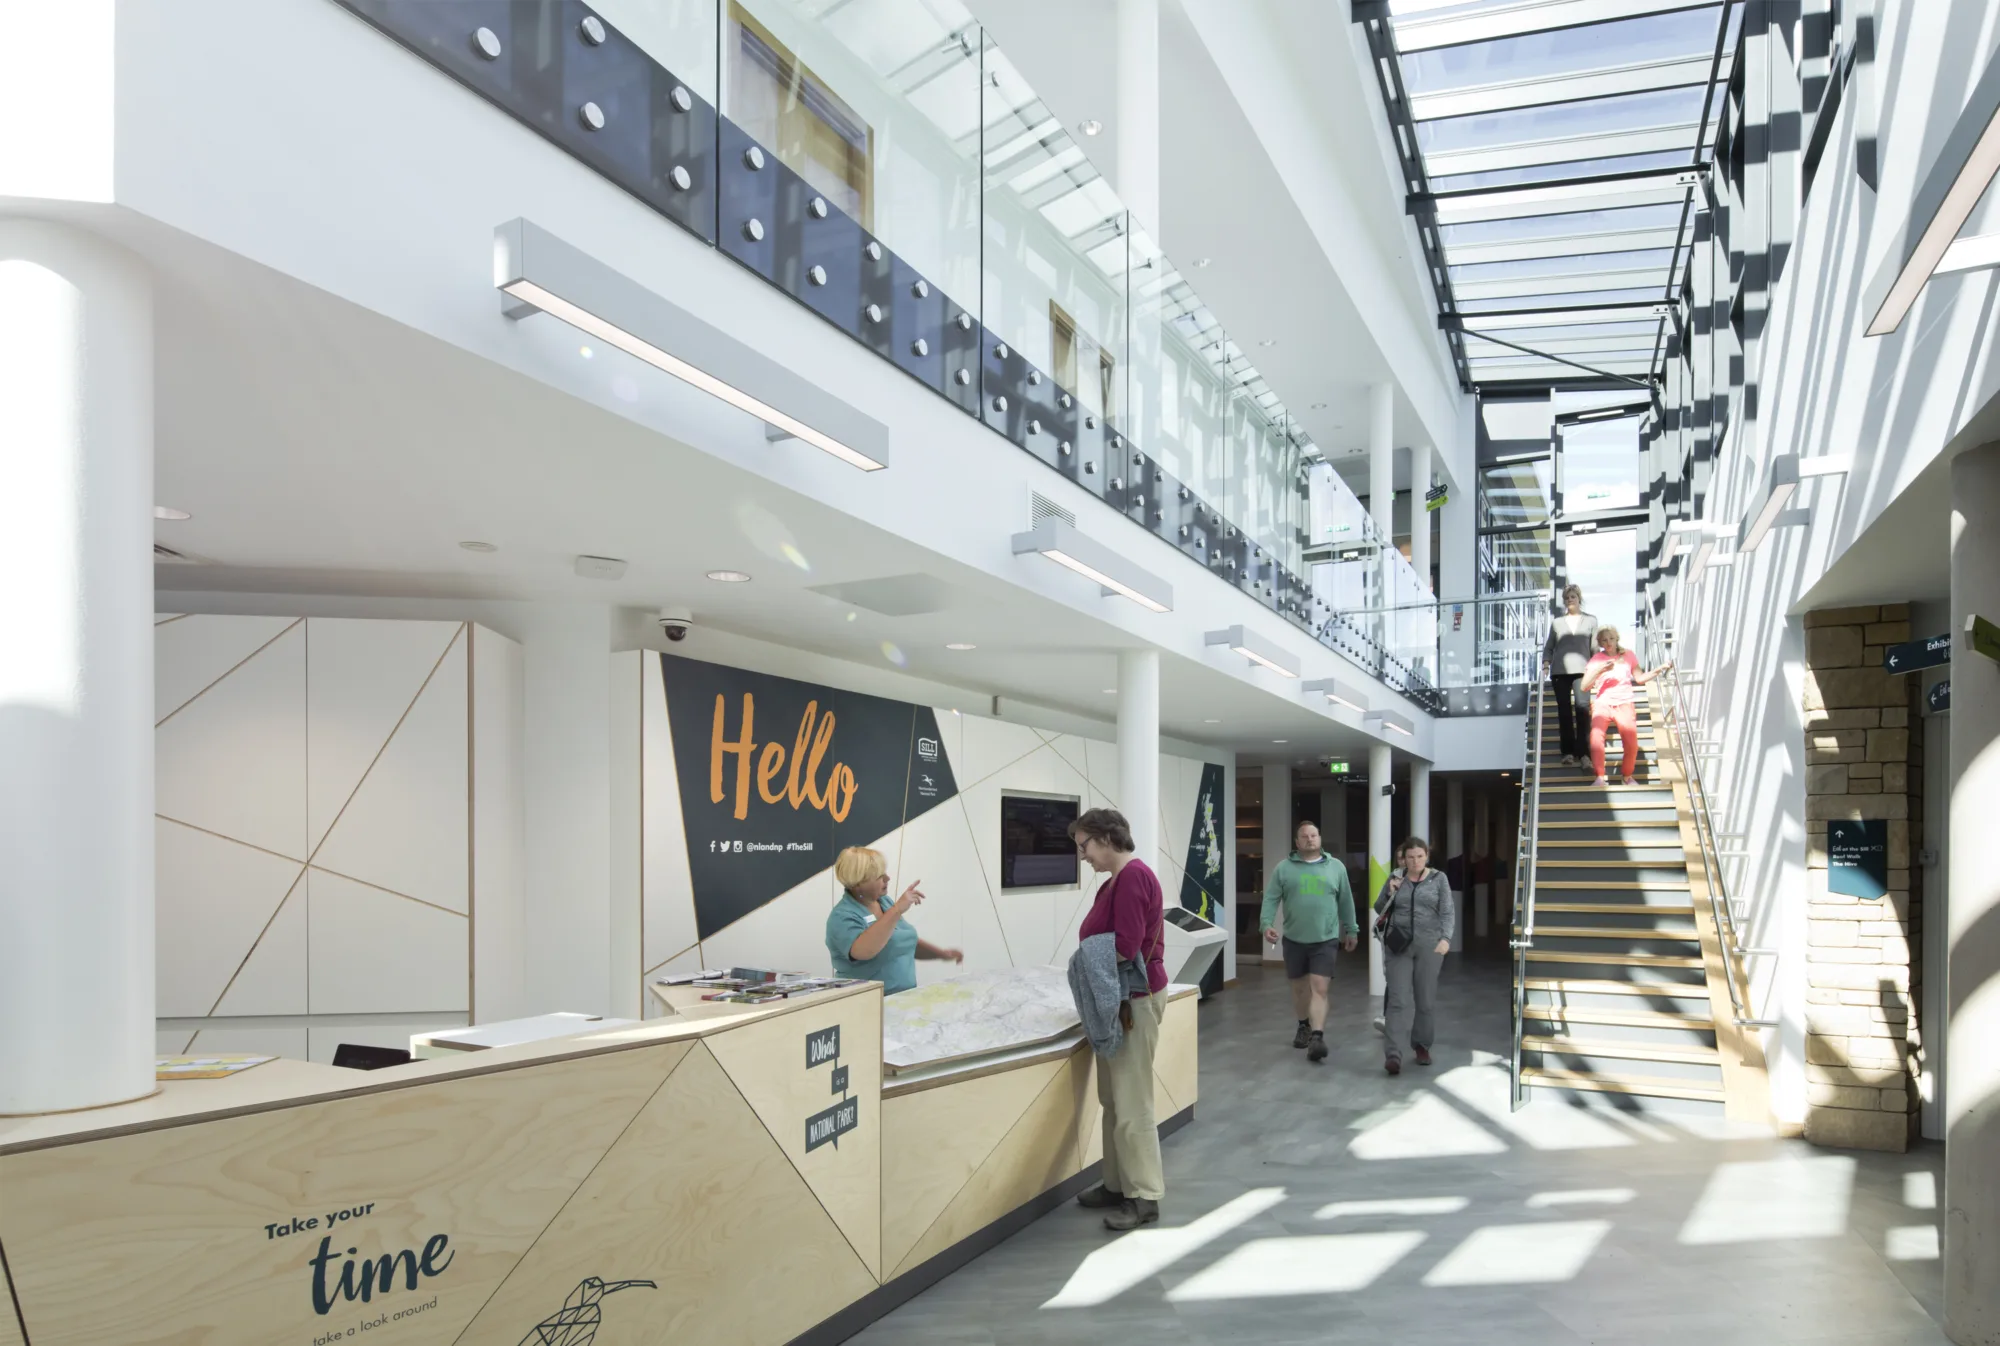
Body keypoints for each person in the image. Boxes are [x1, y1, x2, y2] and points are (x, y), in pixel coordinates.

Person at [1068, 808, 1169, 1232]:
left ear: (1107, 838)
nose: (1084, 856)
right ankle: (1116, 1183)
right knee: (1113, 1100)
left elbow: (1126, 947)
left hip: (1133, 1001)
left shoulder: (1131, 879)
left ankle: (1144, 1195)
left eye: (1085, 846)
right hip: (1124, 999)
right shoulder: (1117, 881)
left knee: (1132, 1103)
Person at [1260, 821, 1359, 1064]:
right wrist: (1266, 924)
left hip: (1325, 939)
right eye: (1304, 836)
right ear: (1297, 842)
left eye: (1314, 835)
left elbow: (1346, 900)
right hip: (1294, 939)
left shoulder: (1336, 867)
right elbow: (1271, 899)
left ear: (1320, 839)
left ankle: (1317, 1036)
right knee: (1299, 988)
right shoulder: (1283, 869)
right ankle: (1303, 1025)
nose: (1309, 839)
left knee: (1320, 987)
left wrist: (1352, 929)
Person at [824, 847, 962, 995]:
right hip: (864, 1004)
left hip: (901, 999)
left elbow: (903, 940)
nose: (887, 878)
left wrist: (941, 954)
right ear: (858, 883)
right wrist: (896, 910)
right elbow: (863, 951)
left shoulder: (884, 902)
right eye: (879, 876)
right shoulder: (842, 916)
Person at [1374, 836, 1454, 1076]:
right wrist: (1390, 893)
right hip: (1398, 947)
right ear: (1404, 858)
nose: (1415, 861)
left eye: (1420, 856)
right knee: (1397, 1000)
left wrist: (1446, 939)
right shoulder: (1395, 878)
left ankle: (1421, 1045)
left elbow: (1447, 911)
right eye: (1410, 857)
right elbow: (1379, 907)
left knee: (1425, 1000)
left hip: (1429, 946)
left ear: (1427, 856)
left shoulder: (1439, 879)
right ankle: (1393, 1054)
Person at [1580, 627, 1672, 787]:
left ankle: (1627, 776)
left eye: (1611, 639)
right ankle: (1600, 777)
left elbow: (1640, 678)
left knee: (1631, 743)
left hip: (1624, 702)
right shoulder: (1596, 659)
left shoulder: (1628, 655)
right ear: (1600, 643)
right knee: (1596, 738)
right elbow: (1584, 686)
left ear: (1617, 639)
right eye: (1604, 640)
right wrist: (1600, 669)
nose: (1608, 643)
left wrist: (1658, 670)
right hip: (1603, 703)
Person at [1543, 585, 1597, 766]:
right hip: (1560, 672)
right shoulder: (1557, 623)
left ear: (1579, 598)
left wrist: (1598, 670)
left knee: (1582, 710)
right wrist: (1545, 664)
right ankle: (1567, 752)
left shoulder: (1591, 621)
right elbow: (1549, 647)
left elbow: (1595, 649)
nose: (1570, 600)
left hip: (1583, 672)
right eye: (1567, 598)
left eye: (1573, 596)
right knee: (1564, 712)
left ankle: (1584, 754)